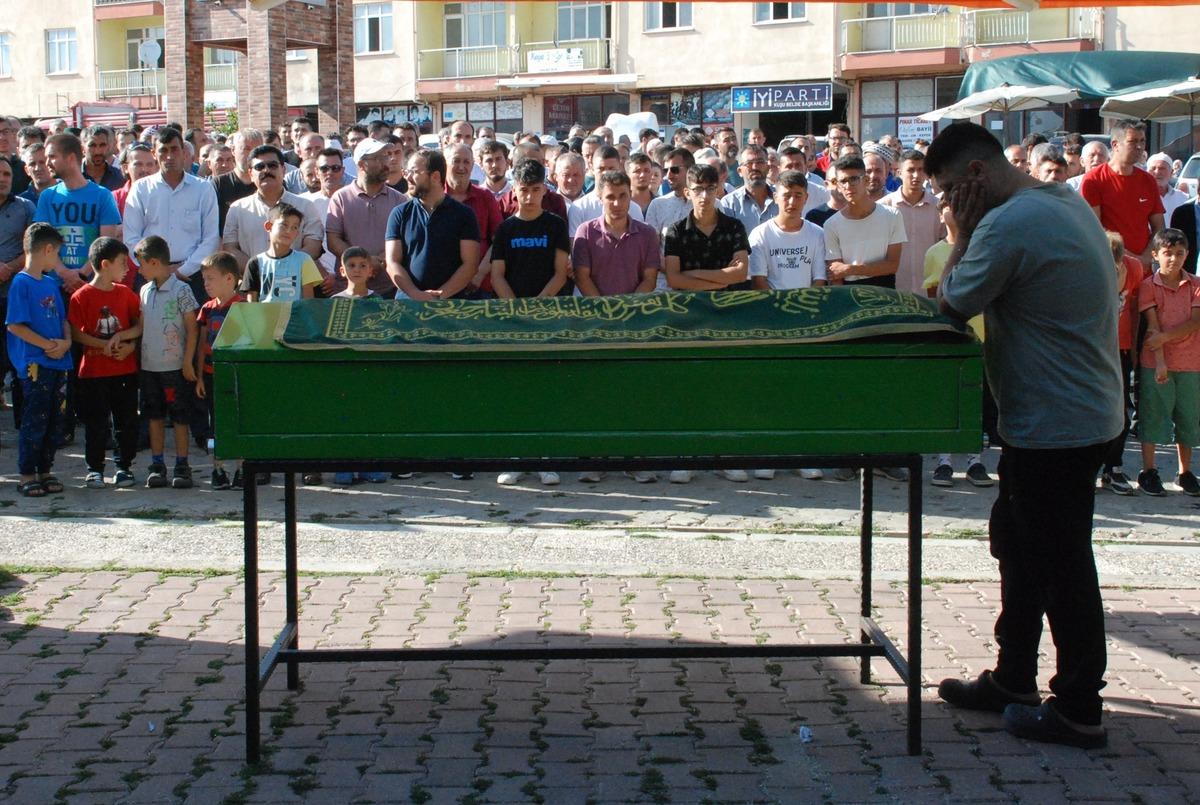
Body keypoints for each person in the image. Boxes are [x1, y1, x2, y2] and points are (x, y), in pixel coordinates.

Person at [930, 122, 1121, 750]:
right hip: (1068, 414)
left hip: (1056, 423)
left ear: (978, 177)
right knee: (1019, 543)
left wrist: (959, 237)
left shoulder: (1006, 224)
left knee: (1061, 561)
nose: (948, 206)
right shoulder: (1060, 198)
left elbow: (954, 301)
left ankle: (1078, 707)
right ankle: (1014, 677)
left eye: (953, 191)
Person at [570, 169, 659, 484]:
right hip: (596, 324)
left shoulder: (647, 234)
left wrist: (626, 310)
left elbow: (649, 279)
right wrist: (606, 311)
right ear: (600, 197)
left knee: (633, 393)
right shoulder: (585, 232)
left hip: (635, 323)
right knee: (597, 395)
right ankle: (595, 459)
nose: (618, 203)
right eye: (611, 196)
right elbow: (582, 276)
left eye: (623, 196)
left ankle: (634, 459)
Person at [490, 158, 570, 488]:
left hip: (549, 316)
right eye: (524, 190)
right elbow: (496, 275)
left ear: (544, 189)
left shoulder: (555, 225)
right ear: (514, 190)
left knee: (546, 390)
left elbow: (560, 271)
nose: (529, 197)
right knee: (515, 391)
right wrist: (517, 311)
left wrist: (538, 307)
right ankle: (516, 457)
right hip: (513, 320)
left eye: (536, 190)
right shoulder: (506, 228)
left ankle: (546, 458)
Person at [923, 201, 992, 489]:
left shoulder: (983, 248)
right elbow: (931, 292)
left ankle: (975, 460)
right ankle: (944, 461)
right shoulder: (935, 252)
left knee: (976, 399)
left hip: (982, 334)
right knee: (947, 397)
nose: (956, 211)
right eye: (949, 206)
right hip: (949, 334)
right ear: (941, 215)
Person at [68, 237, 143, 489]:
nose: (127, 268)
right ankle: (95, 469)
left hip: (125, 369)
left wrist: (125, 340)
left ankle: (124, 467)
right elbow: (76, 333)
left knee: (126, 420)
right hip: (94, 371)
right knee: (96, 423)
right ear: (105, 264)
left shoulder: (126, 294)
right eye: (123, 263)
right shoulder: (81, 296)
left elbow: (139, 325)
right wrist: (104, 345)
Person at [7, 224, 73, 497]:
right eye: (56, 253)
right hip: (36, 364)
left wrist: (66, 342)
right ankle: (26, 474)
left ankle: (45, 469)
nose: (56, 260)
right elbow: (15, 325)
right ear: (47, 249)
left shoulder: (50, 283)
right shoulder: (21, 282)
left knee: (55, 420)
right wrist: (47, 346)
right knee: (34, 419)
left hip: (59, 362)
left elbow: (63, 320)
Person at [122, 127, 221, 304]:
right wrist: (155, 270)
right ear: (154, 154)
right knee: (152, 329)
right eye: (163, 150)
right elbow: (131, 238)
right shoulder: (141, 189)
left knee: (195, 330)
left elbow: (211, 238)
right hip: (150, 277)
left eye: (174, 149)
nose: (169, 156)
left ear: (183, 152)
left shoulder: (203, 189)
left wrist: (183, 270)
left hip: (193, 277)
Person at [1137, 229, 1200, 497]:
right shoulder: (1149, 286)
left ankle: (1185, 472)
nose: (1173, 259)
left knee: (1188, 417)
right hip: (1157, 362)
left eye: (1179, 254)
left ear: (1187, 254)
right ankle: (1148, 470)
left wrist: (1165, 337)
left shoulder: (1195, 284)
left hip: (1191, 362)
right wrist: (1161, 361)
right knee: (1153, 414)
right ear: (1155, 255)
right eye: (1167, 254)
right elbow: (1152, 329)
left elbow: (1196, 321)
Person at [134, 235, 199, 490]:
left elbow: (192, 329)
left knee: (180, 417)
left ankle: (182, 464)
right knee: (154, 415)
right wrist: (123, 337)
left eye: (140, 264)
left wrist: (187, 361)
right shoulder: (144, 290)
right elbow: (141, 326)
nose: (138, 270)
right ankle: (157, 464)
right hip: (150, 366)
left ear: (153, 262)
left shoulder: (181, 289)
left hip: (175, 366)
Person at [384, 148, 480, 302]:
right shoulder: (399, 214)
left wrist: (440, 295)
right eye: (407, 171)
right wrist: (416, 294)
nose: (407, 177)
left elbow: (470, 264)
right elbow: (392, 262)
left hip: (450, 304)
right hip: (408, 302)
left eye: (414, 171)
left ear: (435, 176)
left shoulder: (464, 215)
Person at [34, 134, 122, 294]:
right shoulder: (47, 197)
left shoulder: (102, 196)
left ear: (71, 158)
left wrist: (81, 274)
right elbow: (43, 241)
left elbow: (106, 242)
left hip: (93, 285)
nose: (47, 163)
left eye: (52, 157)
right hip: (55, 286)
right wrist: (63, 273)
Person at [326, 138, 409, 298]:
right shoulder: (341, 198)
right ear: (362, 164)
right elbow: (333, 240)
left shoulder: (399, 200)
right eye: (380, 158)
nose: (388, 162)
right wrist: (365, 262)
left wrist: (382, 260)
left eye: (387, 156)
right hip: (349, 291)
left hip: (389, 289)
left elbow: (404, 240)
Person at [222, 145, 324, 272]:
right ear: (250, 174)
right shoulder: (237, 209)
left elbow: (313, 246)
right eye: (259, 167)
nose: (266, 170)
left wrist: (285, 268)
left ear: (284, 170)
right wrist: (260, 272)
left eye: (272, 165)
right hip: (254, 285)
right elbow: (230, 248)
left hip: (295, 281)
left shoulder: (305, 206)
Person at [1081, 120, 1163, 269]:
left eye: (1142, 141)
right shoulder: (1093, 180)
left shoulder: (1148, 180)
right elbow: (1095, 230)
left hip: (1143, 270)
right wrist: (1130, 258)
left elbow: (1159, 226)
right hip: (1112, 267)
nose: (1139, 147)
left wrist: (1145, 257)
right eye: (1132, 142)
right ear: (1115, 145)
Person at [194, 252, 246, 489]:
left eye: (210, 278)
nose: (206, 284)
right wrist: (198, 376)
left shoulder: (243, 307)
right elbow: (201, 342)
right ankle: (218, 469)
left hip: (235, 374)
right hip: (210, 373)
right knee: (215, 425)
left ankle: (242, 469)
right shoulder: (206, 309)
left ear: (229, 279)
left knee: (238, 421)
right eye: (204, 279)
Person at [1099, 231, 1143, 496]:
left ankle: (1113, 468)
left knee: (1120, 413)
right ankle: (1090, 466)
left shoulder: (1134, 268)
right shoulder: (1088, 269)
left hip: (1121, 348)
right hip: (1092, 351)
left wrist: (1136, 351)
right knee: (1090, 410)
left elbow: (1136, 310)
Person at [823, 155, 906, 290]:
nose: (848, 186)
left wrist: (851, 269)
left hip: (885, 291)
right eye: (843, 181)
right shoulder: (831, 225)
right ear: (837, 185)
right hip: (849, 294)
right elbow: (836, 273)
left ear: (866, 180)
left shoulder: (892, 216)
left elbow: (892, 265)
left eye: (854, 179)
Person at [882, 149, 943, 295]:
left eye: (921, 170)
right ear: (899, 172)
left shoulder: (939, 207)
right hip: (894, 291)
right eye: (910, 170)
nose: (916, 175)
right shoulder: (883, 207)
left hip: (930, 291)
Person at [444, 143, 502, 296]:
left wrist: (479, 274)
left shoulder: (485, 197)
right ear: (445, 164)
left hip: (478, 286)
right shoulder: (435, 197)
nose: (461, 167)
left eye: (466, 162)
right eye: (456, 161)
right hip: (441, 285)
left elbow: (499, 241)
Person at [239, 203, 322, 303]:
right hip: (265, 317)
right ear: (269, 226)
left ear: (297, 233)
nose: (288, 231)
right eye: (284, 225)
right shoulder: (255, 262)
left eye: (294, 227)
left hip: (294, 317)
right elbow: (251, 303)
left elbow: (308, 302)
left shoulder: (304, 260)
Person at [719, 145, 777, 239]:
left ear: (768, 168)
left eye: (760, 162)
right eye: (749, 163)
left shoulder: (783, 198)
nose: (755, 167)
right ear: (739, 171)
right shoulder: (729, 204)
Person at [111, 143, 158, 217]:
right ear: (125, 168)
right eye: (138, 164)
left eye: (149, 164)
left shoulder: (164, 195)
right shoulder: (115, 198)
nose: (144, 170)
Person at [1146, 152, 1188, 224]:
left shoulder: (1183, 199)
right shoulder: (1140, 198)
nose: (1157, 172)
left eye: (1162, 168)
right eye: (1153, 168)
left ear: (1171, 172)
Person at [81, 126, 124, 191]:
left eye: (102, 145)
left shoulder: (120, 177)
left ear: (108, 147)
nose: (98, 151)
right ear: (82, 148)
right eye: (92, 145)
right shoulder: (72, 178)